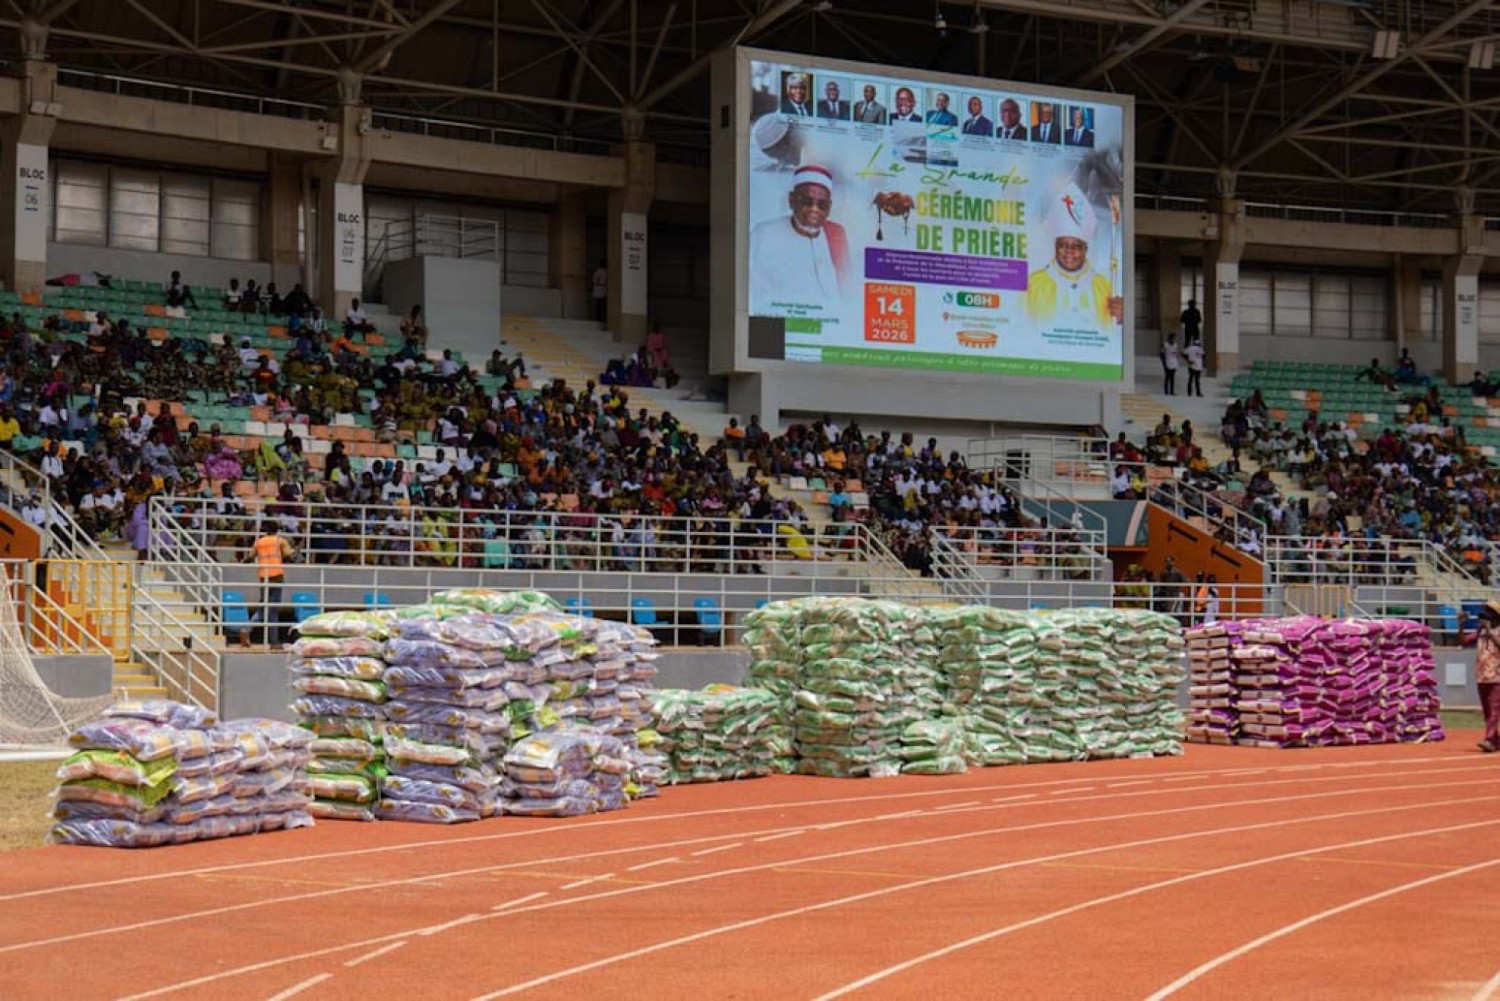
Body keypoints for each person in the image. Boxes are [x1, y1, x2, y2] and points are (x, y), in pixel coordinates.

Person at [748, 163, 852, 307]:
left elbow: (848, 293)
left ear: (829, 207)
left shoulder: (836, 234)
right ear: (792, 200)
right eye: (807, 202)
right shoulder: (763, 234)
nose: (814, 209)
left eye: (821, 204)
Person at [1026, 184, 1123, 338]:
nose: (1069, 251)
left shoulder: (1105, 287)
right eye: (1063, 245)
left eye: (1076, 246)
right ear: (1055, 247)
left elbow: (1112, 336)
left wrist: (1120, 319)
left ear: (1086, 249)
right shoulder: (1033, 285)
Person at [247, 522, 293, 631]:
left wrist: (243, 562)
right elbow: (288, 554)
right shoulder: (280, 541)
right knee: (273, 609)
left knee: (264, 605)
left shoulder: (259, 542)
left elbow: (250, 556)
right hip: (276, 576)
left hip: (263, 576)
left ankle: (246, 629)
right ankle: (273, 640)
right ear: (277, 530)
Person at [1474, 599, 1500, 752]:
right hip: (1482, 675)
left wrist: (1490, 632)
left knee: (1494, 708)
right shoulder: (1481, 631)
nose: (1486, 616)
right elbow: (1463, 640)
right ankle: (1496, 739)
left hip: (1497, 676)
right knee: (1487, 711)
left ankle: (1489, 740)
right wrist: (1462, 625)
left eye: (1489, 612)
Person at [591, 258, 608, 323]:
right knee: (603, 304)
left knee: (598, 305)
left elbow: (594, 280)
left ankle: (598, 317)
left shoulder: (596, 272)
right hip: (603, 288)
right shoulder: (605, 272)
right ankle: (603, 317)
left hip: (597, 288)